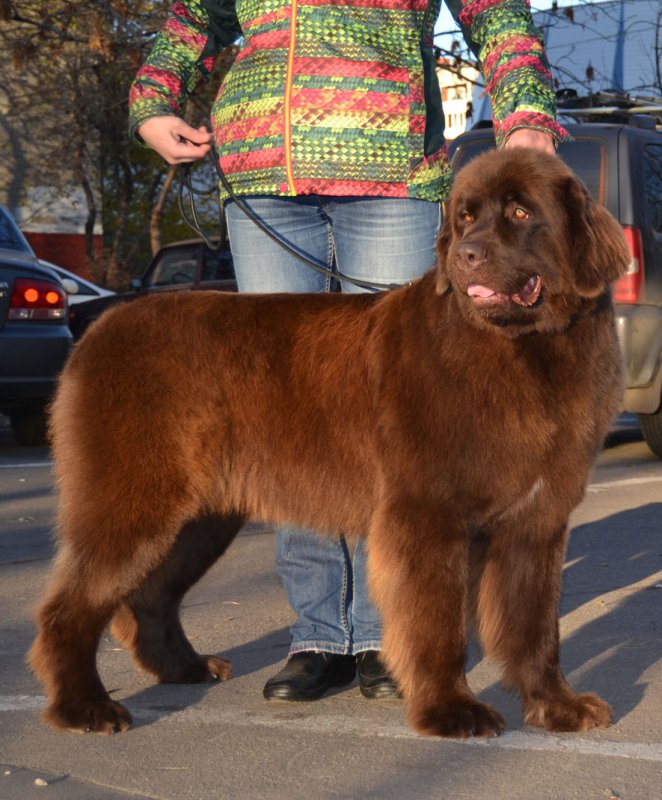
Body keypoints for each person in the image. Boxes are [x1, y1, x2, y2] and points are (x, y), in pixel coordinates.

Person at [129, 0, 566, 703]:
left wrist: (528, 114)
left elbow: (496, 13)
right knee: (289, 421)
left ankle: (383, 633)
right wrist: (152, 101)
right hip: (265, 177)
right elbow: (194, 14)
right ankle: (318, 635)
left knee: (400, 422)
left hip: (392, 171)